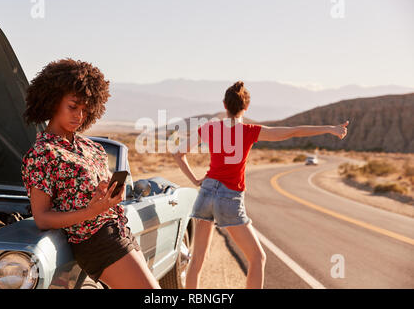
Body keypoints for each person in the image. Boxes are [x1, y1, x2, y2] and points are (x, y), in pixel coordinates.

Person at [172, 81, 348, 289]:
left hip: (207, 192)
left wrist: (195, 180)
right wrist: (329, 129)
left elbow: (178, 153)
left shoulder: (209, 128)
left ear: (224, 105)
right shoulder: (250, 131)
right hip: (229, 197)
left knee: (197, 259)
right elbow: (292, 132)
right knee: (257, 258)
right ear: (246, 108)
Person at [20, 58, 160, 289]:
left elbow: (100, 196)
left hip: (119, 231)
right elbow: (42, 218)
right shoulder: (43, 154)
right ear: (53, 102)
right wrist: (91, 210)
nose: (79, 116)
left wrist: (112, 195)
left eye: (85, 109)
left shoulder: (92, 148)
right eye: (73, 107)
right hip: (94, 242)